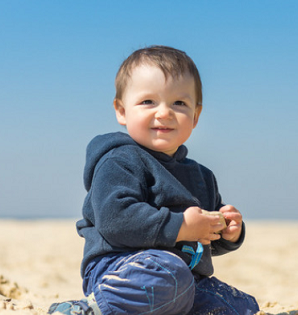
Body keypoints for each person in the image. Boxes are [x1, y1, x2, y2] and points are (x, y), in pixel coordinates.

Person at [48, 45, 259, 315]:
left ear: (195, 115)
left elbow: (201, 238)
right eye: (148, 101)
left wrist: (227, 232)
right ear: (122, 110)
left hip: (185, 278)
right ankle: (92, 308)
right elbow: (116, 220)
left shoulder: (202, 176)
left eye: (179, 103)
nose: (164, 112)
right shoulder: (120, 160)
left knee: (236, 303)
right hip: (123, 267)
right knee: (169, 276)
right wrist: (181, 226)